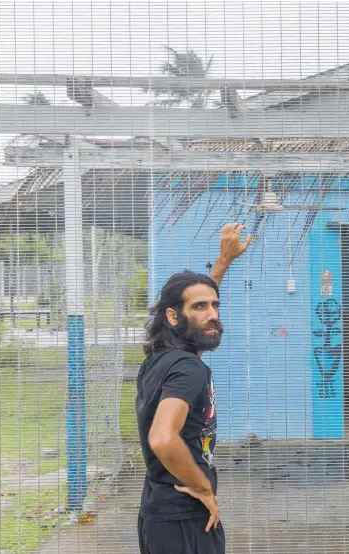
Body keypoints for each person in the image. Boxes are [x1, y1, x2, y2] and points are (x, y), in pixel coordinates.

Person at [136, 223, 251, 554]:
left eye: (215, 305)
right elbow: (162, 437)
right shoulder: (189, 369)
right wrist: (202, 488)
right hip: (185, 519)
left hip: (159, 512)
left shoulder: (161, 356)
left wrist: (223, 261)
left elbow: (195, 300)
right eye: (200, 308)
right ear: (173, 317)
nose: (212, 315)